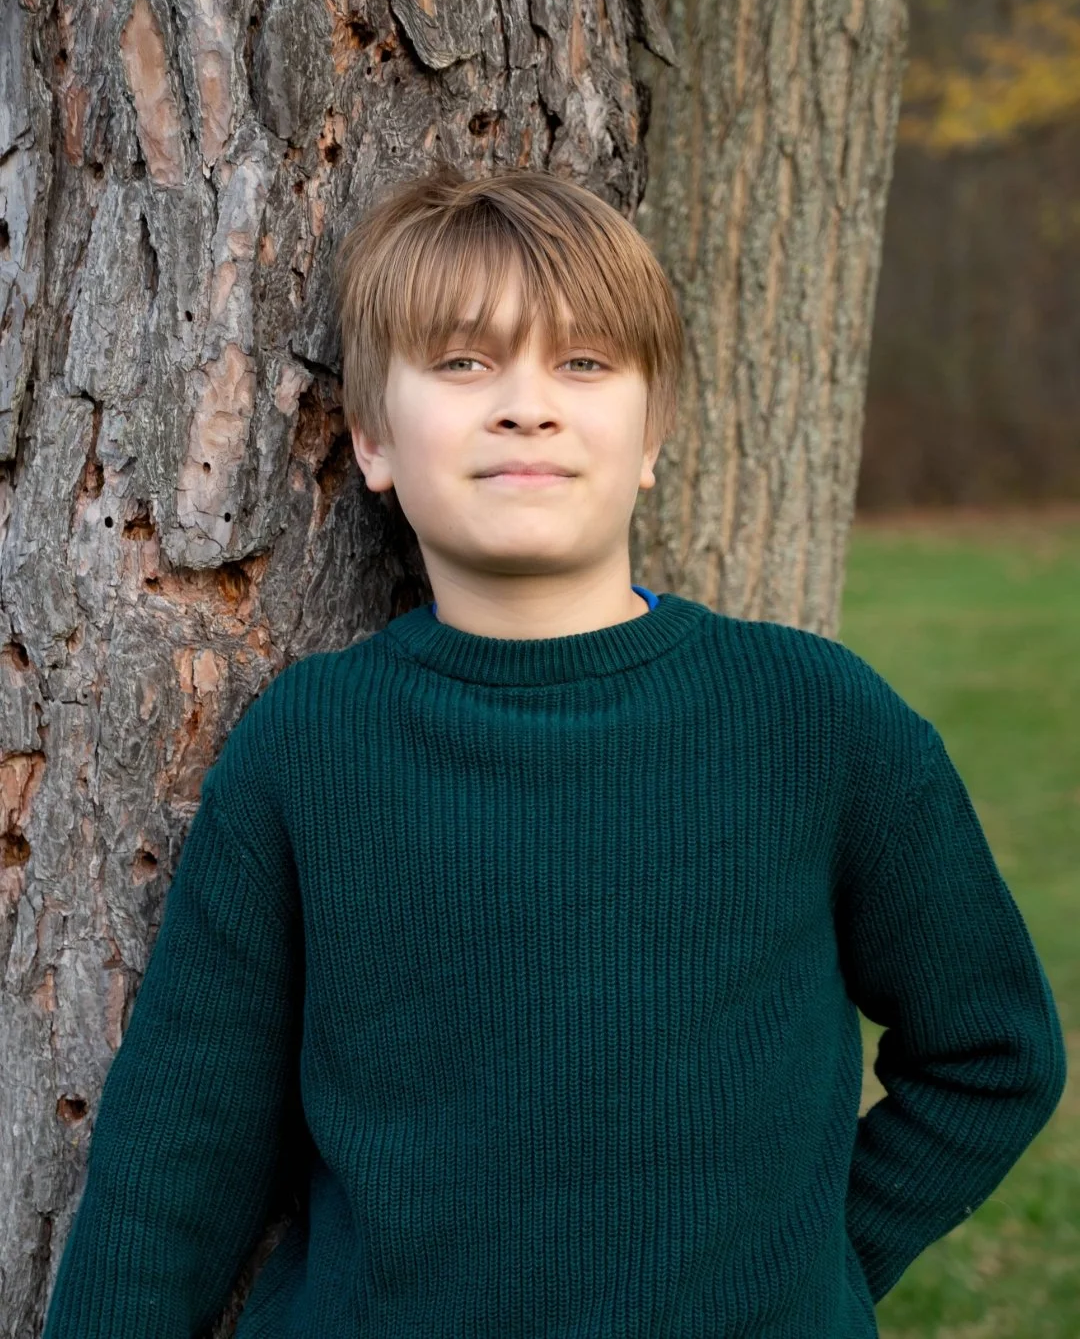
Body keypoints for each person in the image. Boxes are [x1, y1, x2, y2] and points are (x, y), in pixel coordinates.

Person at [41, 163, 1066, 1339]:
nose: (525, 405)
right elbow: (178, 1151)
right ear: (372, 439)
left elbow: (993, 1054)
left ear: (652, 435)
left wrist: (811, 1277)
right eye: (462, 363)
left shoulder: (814, 720)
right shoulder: (310, 746)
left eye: (582, 363)